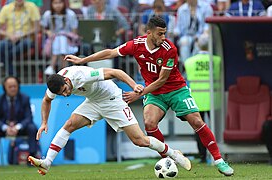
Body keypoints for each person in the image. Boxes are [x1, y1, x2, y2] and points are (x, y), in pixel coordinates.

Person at [64, 16, 234, 176]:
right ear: (149, 33)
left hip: (176, 89)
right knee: (149, 123)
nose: (163, 37)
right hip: (155, 93)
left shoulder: (170, 49)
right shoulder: (136, 45)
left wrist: (139, 94)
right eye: (160, 34)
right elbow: (110, 52)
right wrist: (82, 60)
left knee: (196, 121)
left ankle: (218, 160)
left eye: (164, 33)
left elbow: (162, 80)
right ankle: (167, 158)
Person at [27, 65, 191, 175]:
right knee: (69, 125)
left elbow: (115, 72)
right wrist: (44, 122)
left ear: (67, 81)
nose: (65, 95)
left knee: (139, 140)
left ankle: (173, 154)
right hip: (93, 102)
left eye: (65, 90)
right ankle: (47, 162)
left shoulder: (82, 76)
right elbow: (46, 101)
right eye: (62, 94)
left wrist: (134, 86)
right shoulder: (56, 84)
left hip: (112, 99)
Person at [184, 34, 221, 163]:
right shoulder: (217, 60)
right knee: (216, 129)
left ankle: (203, 156)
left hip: (196, 100)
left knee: (199, 130)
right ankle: (217, 155)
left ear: (198, 45)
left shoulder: (189, 61)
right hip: (214, 100)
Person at [0, 76, 38, 168]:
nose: (13, 89)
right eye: (10, 87)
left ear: (18, 86)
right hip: (4, 128)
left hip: (20, 128)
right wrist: (5, 127)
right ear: (5, 87)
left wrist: (17, 127)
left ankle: (31, 159)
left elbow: (28, 118)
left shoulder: (25, 98)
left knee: (32, 127)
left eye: (15, 86)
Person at [0, 0, 40, 75]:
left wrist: (22, 35)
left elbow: (37, 28)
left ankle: (1, 61)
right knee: (0, 45)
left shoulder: (32, 6)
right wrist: (9, 35)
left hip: (26, 38)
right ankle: (13, 74)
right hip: (10, 39)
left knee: (25, 43)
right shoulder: (6, 8)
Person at [41, 0, 80, 75]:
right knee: (59, 39)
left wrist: (63, 35)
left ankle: (51, 66)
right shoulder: (47, 14)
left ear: (64, 3)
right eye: (55, 3)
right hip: (52, 42)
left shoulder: (70, 14)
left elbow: (74, 32)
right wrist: (47, 32)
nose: (58, 5)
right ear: (51, 4)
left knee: (61, 38)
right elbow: (42, 28)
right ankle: (64, 71)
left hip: (69, 42)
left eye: (60, 2)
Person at [174, 0, 213, 72]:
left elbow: (208, 26)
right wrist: (174, 33)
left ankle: (194, 69)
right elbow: (178, 28)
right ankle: (187, 68)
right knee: (184, 41)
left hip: (201, 35)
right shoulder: (181, 9)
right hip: (186, 35)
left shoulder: (207, 8)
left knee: (200, 42)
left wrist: (204, 33)